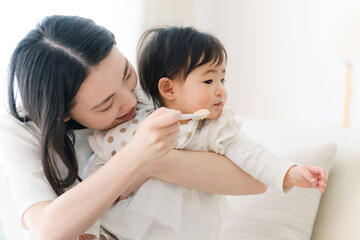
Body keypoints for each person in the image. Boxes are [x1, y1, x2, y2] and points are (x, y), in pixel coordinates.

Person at [0, 15, 269, 240]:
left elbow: (255, 177)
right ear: (62, 115)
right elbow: (48, 228)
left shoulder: (155, 89)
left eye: (127, 73)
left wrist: (150, 162)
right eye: (106, 105)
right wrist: (136, 156)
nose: (131, 100)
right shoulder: (20, 129)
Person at [82, 26, 328, 240]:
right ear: (168, 88)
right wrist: (89, 228)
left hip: (195, 229)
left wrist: (291, 172)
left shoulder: (215, 127)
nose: (221, 90)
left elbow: (252, 153)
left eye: (223, 79)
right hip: (133, 227)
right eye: (209, 81)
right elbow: (97, 178)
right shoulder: (133, 125)